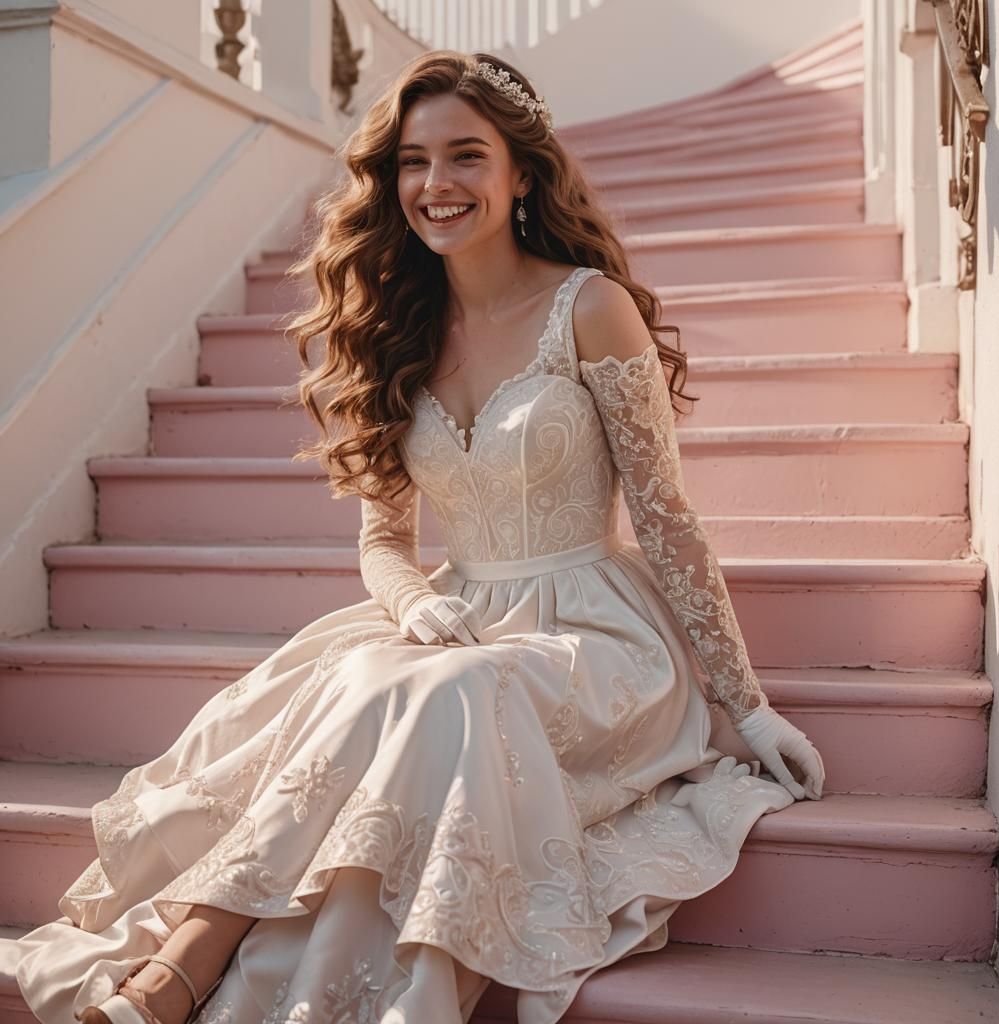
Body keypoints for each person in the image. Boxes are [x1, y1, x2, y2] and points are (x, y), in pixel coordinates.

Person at [14, 50, 825, 1024]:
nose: (436, 185)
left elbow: (664, 518)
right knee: (364, 675)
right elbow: (384, 541)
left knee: (448, 689)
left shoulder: (590, 308)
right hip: (455, 619)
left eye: (465, 157)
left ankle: (181, 973)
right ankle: (182, 962)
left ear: (522, 171)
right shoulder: (395, 328)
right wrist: (416, 602)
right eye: (413, 161)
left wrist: (745, 703)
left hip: (595, 643)